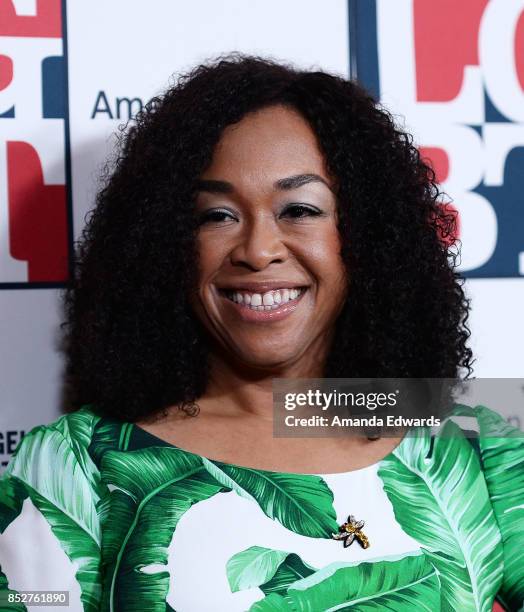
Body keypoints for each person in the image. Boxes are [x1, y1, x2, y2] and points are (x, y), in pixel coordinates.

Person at [0, 54, 522, 612]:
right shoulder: (74, 464)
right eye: (218, 215)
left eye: (299, 208)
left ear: (365, 236)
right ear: (168, 244)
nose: (256, 250)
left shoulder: (476, 446)